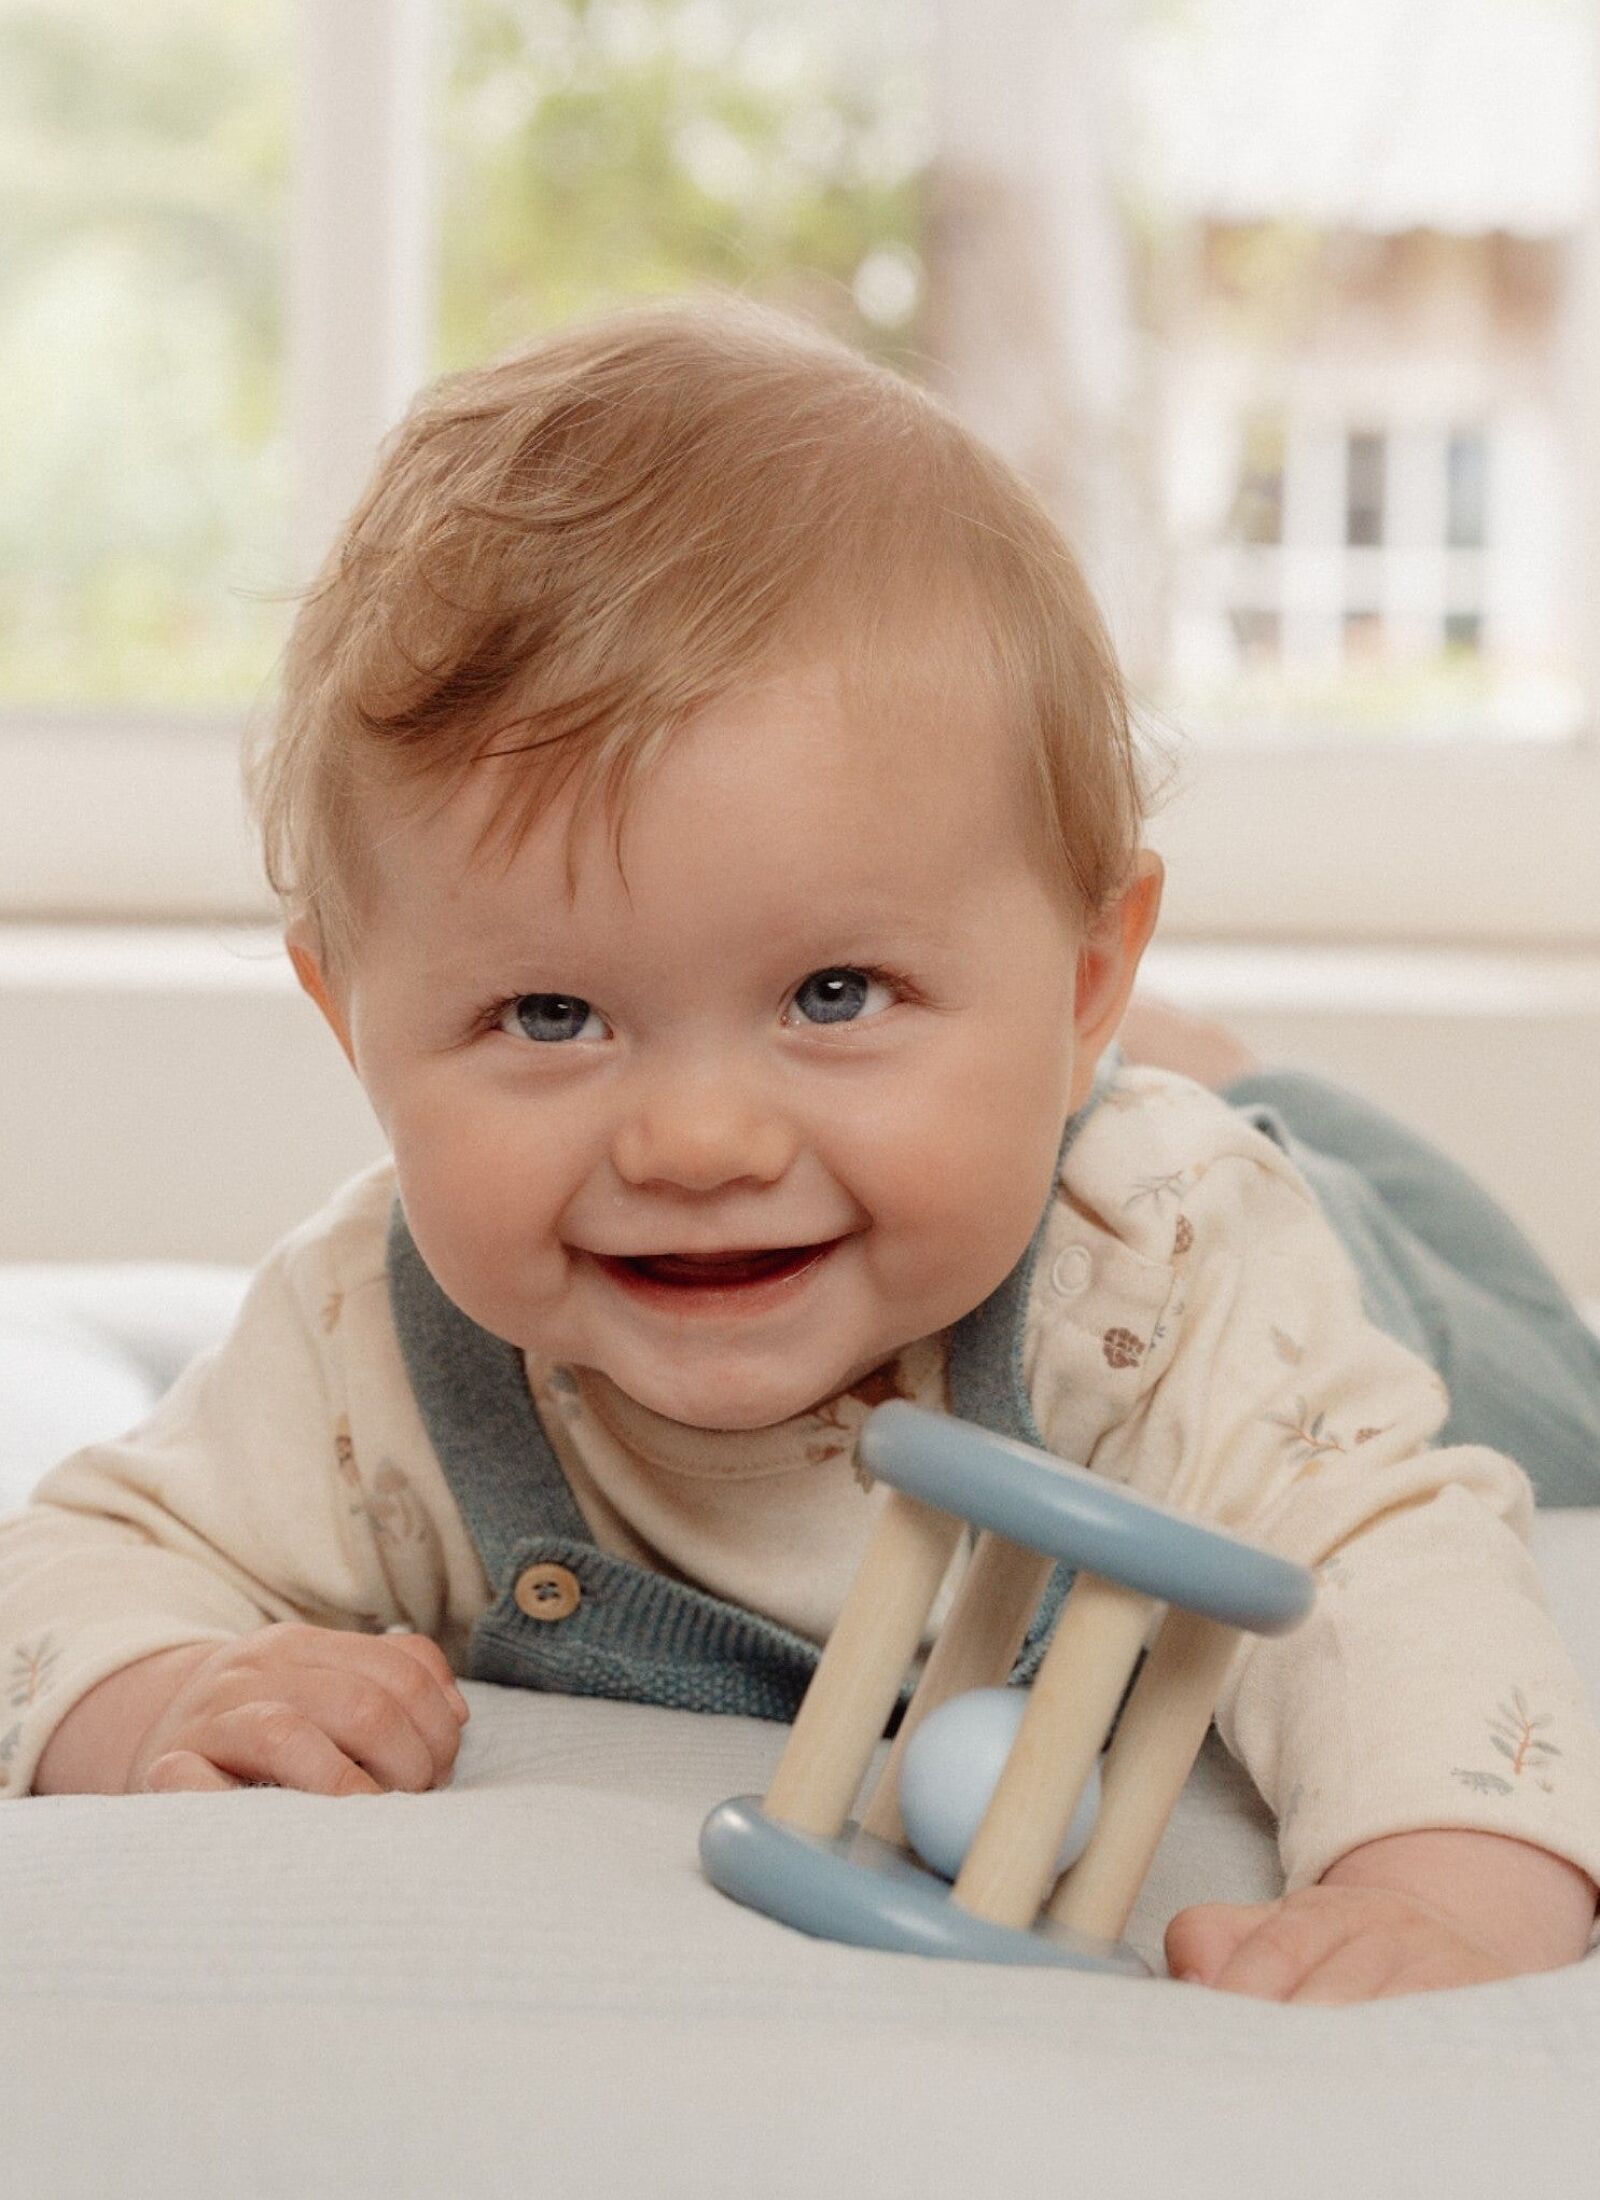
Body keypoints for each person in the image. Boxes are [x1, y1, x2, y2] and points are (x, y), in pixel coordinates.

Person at [3, 302, 1597, 2006]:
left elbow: (1386, 1548)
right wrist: (157, 1695)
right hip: (1053, 1081)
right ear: (348, 1017)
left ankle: (1191, 1071)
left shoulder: (1167, 1265)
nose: (698, 1141)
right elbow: (75, 1560)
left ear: (1080, 973)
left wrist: (1439, 1888)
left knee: (1561, 1395)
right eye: (551, 1015)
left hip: (1371, 1265)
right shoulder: (369, 1349)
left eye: (834, 993)